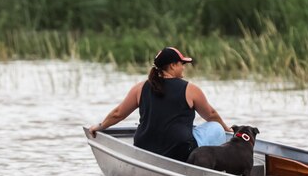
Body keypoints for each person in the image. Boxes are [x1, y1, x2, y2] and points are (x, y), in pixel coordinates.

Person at [88, 47, 231, 162]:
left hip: (143, 149)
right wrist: (226, 129)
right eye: (182, 64)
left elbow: (118, 113)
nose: (184, 68)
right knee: (215, 128)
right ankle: (208, 168)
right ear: (172, 65)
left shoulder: (140, 87)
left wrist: (100, 126)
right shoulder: (190, 89)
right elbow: (211, 115)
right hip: (178, 152)